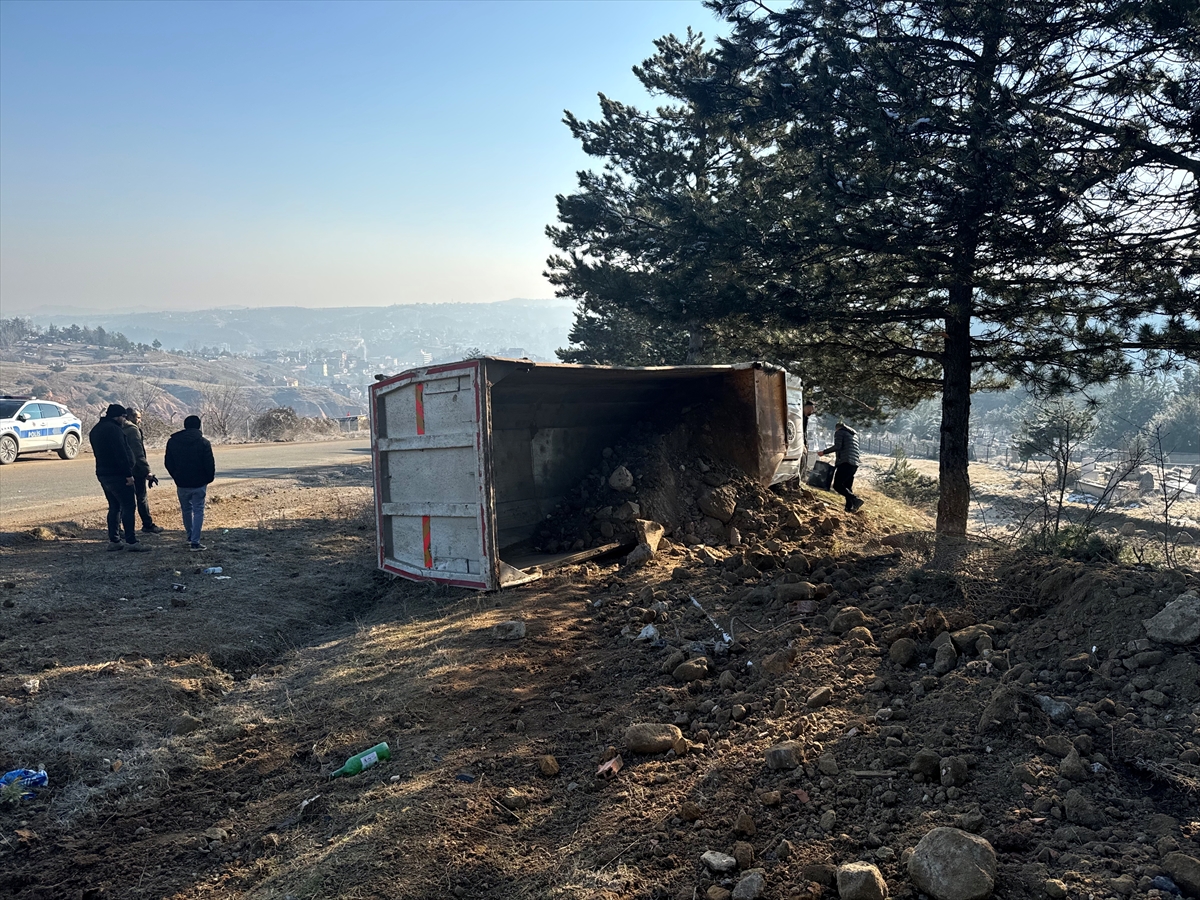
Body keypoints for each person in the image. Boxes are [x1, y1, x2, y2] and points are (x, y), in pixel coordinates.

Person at [88, 404, 152, 551]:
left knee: (114, 506)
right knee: (129, 506)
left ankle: (114, 540)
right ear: (118, 416)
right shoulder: (115, 430)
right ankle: (131, 542)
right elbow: (121, 454)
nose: (125, 420)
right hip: (119, 474)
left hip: (103, 473)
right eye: (123, 417)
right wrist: (128, 475)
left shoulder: (96, 430)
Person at [164, 415, 216, 551]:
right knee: (198, 510)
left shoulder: (173, 442)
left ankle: (189, 536)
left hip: (181, 482)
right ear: (199, 426)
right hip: (199, 483)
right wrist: (208, 478)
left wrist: (176, 476)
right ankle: (195, 541)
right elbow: (209, 464)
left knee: (186, 509)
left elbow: (168, 462)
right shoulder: (203, 443)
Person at [121, 407, 164, 534]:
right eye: (137, 417)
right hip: (135, 470)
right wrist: (147, 471)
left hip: (122, 469)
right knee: (141, 498)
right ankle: (147, 524)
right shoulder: (132, 430)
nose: (139, 420)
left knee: (123, 501)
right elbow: (138, 452)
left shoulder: (117, 428)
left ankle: (120, 529)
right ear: (130, 417)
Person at [818, 421, 864, 512]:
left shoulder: (840, 432)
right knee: (847, 486)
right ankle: (849, 508)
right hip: (854, 463)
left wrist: (824, 452)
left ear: (837, 428)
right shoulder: (853, 435)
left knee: (837, 485)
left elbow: (837, 446)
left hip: (845, 462)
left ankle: (855, 499)